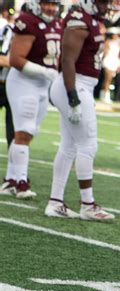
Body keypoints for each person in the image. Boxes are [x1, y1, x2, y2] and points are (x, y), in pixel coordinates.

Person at [44, 0, 115, 221]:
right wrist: (73, 96)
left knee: (69, 146)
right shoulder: (79, 20)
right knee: (88, 144)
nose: (107, 6)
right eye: (103, 2)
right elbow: (67, 60)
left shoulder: (89, 19)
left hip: (79, 85)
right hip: (74, 85)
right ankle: (87, 204)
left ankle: (55, 202)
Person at [0, 0, 61, 198]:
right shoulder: (26, 21)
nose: (50, 8)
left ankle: (10, 179)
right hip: (24, 82)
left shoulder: (56, 23)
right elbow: (16, 59)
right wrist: (45, 71)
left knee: (29, 133)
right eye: (46, 3)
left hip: (42, 84)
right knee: (23, 132)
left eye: (54, 4)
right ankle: (21, 182)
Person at [0, 7, 14, 149]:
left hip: (14, 85)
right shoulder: (8, 29)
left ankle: (15, 169)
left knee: (15, 133)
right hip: (3, 82)